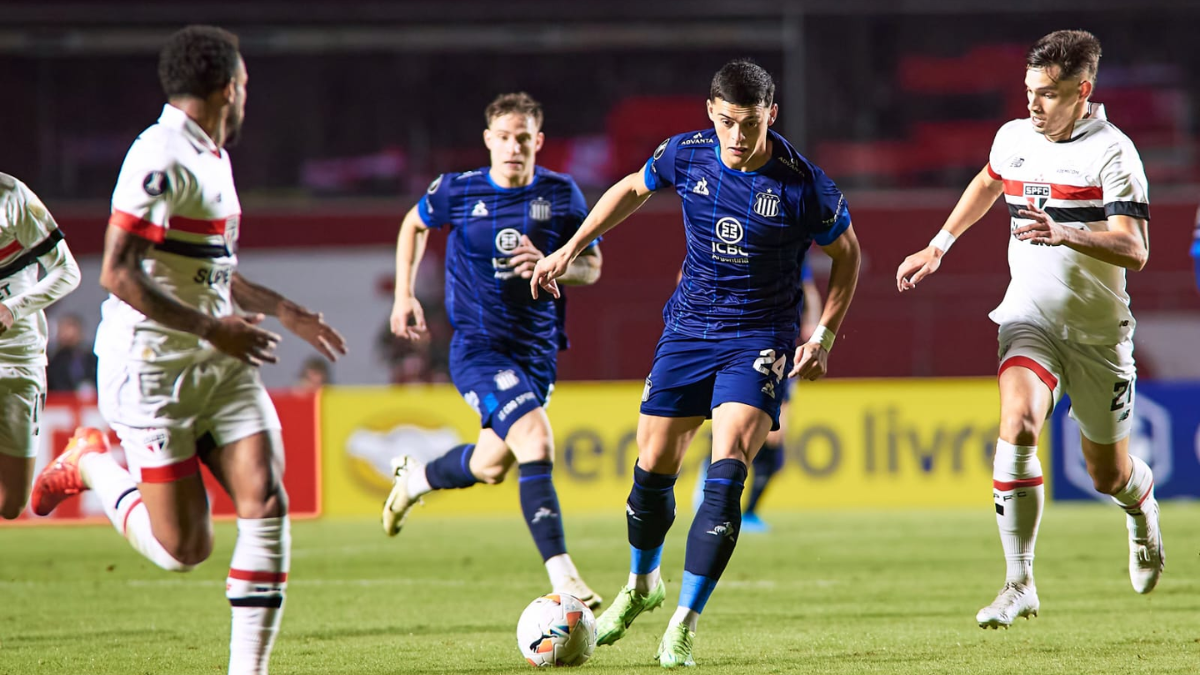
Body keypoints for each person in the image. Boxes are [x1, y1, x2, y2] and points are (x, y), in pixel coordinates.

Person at [29, 25, 346, 675]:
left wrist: (284, 308)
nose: (248, 97)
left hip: (218, 360)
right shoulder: (160, 156)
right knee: (182, 549)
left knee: (266, 497)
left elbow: (211, 267)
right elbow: (116, 272)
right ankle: (90, 462)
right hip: (152, 368)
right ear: (229, 87)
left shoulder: (214, 156)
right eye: (247, 85)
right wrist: (211, 329)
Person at [532, 59, 861, 667]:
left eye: (751, 123)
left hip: (760, 334)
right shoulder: (686, 154)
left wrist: (826, 334)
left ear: (772, 115)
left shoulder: (803, 183)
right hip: (687, 329)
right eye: (728, 122)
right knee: (652, 465)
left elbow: (848, 254)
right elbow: (632, 187)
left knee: (728, 464)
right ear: (711, 113)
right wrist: (571, 247)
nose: (738, 136)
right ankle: (640, 585)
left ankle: (684, 619)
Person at [896, 30, 1159, 630]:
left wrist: (1067, 232)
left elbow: (1136, 249)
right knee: (1016, 425)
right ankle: (1020, 583)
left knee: (1107, 475)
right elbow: (989, 181)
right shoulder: (1014, 137)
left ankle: (1140, 505)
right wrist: (940, 244)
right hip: (1029, 317)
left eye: (1047, 94)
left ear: (1082, 91)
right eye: (1029, 92)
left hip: (1097, 333)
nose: (1034, 105)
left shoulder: (1114, 154)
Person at [382, 92, 605, 609]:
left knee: (489, 466)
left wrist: (554, 263)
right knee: (535, 438)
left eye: (522, 138)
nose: (512, 147)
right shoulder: (457, 192)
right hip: (479, 349)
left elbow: (592, 267)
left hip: (537, 353)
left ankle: (414, 479)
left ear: (538, 142)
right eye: (503, 138)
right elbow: (413, 224)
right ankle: (563, 575)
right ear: (488, 140)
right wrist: (404, 294)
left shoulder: (562, 193)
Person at [691, 259, 823, 532]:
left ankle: (748, 511)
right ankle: (713, 478)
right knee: (738, 422)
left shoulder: (792, 249)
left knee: (775, 440)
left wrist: (814, 326)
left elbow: (808, 289)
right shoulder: (725, 246)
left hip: (779, 346)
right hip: (741, 344)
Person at [0, 174, 81, 519]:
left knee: (11, 503)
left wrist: (13, 308)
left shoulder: (11, 196)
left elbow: (67, 271)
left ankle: (85, 462)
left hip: (19, 358)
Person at [46, 313, 98, 394]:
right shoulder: (52, 362)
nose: (68, 334)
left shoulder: (91, 359)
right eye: (64, 328)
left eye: (72, 327)